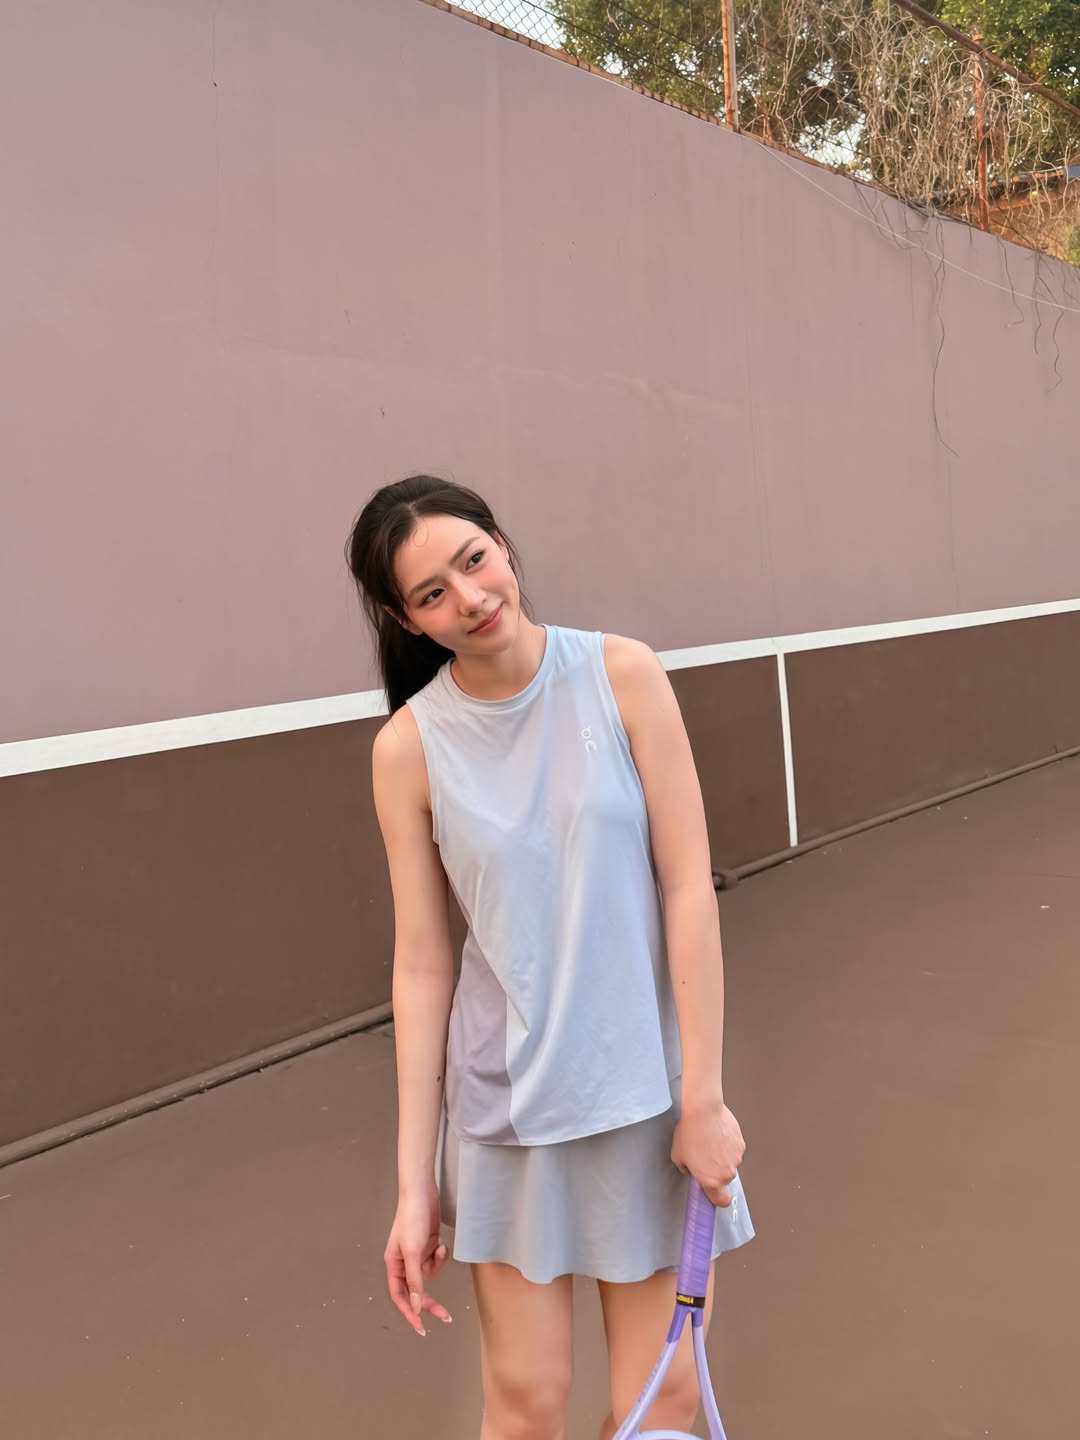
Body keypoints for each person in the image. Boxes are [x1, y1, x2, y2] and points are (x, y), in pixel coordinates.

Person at [346, 474, 753, 1439]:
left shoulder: (623, 675)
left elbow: (689, 889)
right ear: (407, 620)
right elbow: (423, 965)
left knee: (663, 1405)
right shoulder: (408, 749)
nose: (469, 597)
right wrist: (415, 1185)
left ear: (501, 543)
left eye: (473, 560)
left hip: (647, 1101)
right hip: (509, 1115)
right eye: (432, 593)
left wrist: (702, 1097)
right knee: (526, 1407)